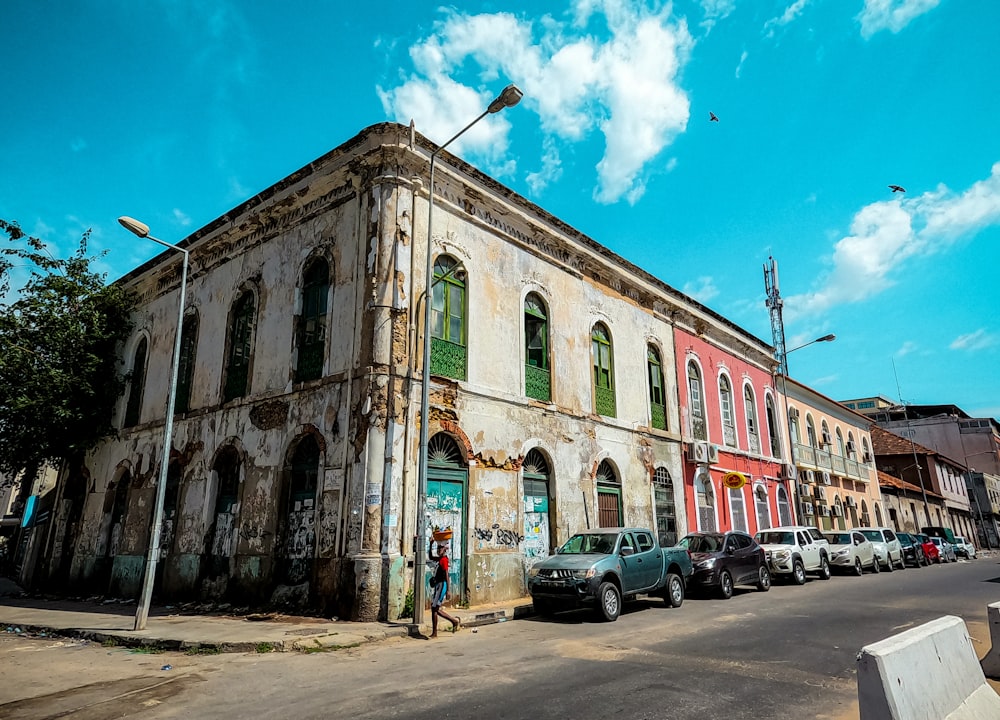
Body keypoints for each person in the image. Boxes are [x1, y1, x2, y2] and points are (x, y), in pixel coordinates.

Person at [428, 540, 461, 638]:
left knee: (434, 609)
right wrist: (430, 545)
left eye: (440, 548)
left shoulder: (444, 560)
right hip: (438, 585)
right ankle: (454, 621)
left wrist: (448, 590)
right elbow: (430, 556)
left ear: (444, 550)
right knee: (435, 608)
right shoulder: (440, 559)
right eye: (438, 548)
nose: (439, 550)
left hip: (442, 585)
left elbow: (447, 574)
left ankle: (435, 633)